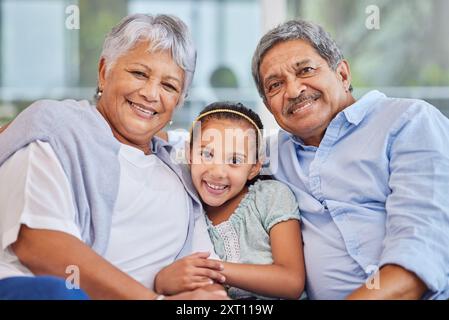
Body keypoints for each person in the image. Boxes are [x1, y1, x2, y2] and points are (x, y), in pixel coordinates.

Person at [0, 13, 227, 300]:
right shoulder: (55, 130)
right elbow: (40, 245)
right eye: (139, 74)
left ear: (179, 102)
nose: (150, 94)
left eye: (169, 86)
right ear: (104, 71)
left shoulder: (184, 167)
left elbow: (202, 274)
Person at [251, 19, 449, 299]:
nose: (294, 91)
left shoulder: (409, 122)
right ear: (270, 106)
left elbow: (418, 259)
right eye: (275, 85)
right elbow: (195, 155)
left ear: (342, 74)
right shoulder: (266, 156)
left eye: (305, 70)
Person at [155, 102, 304, 300]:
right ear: (189, 154)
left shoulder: (270, 197)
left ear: (253, 168)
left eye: (235, 161)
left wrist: (209, 269)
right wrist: (162, 280)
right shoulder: (185, 203)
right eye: (207, 154)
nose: (217, 172)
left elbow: (291, 282)